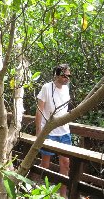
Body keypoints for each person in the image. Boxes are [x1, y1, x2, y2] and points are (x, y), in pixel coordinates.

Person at [35, 64, 71, 198]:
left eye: (69, 75)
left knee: (66, 164)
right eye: (65, 75)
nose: (67, 78)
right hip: (48, 131)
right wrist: (38, 131)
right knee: (45, 163)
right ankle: (39, 190)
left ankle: (62, 195)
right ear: (57, 75)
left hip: (64, 131)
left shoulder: (67, 89)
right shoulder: (46, 87)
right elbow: (39, 110)